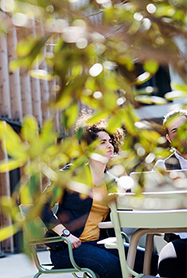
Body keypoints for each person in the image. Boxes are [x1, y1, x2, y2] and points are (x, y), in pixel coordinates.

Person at [41, 112, 158, 278]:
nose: (109, 145)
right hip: (68, 247)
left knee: (151, 261)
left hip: (100, 244)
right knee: (115, 268)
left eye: (110, 141)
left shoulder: (113, 181)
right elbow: (41, 206)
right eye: (103, 142)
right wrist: (66, 234)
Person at [153, 109, 187, 278]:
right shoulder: (162, 168)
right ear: (168, 138)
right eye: (174, 130)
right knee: (168, 263)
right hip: (180, 238)